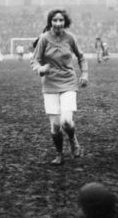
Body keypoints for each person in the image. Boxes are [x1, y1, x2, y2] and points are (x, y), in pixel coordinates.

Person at [31, 9, 89, 165]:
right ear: (50, 22)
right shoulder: (43, 38)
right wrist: (40, 69)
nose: (58, 23)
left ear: (65, 22)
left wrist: (84, 74)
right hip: (50, 84)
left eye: (61, 20)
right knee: (55, 126)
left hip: (68, 82)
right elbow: (34, 61)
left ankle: (73, 140)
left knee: (66, 122)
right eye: (55, 20)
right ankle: (59, 154)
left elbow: (81, 58)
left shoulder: (70, 38)